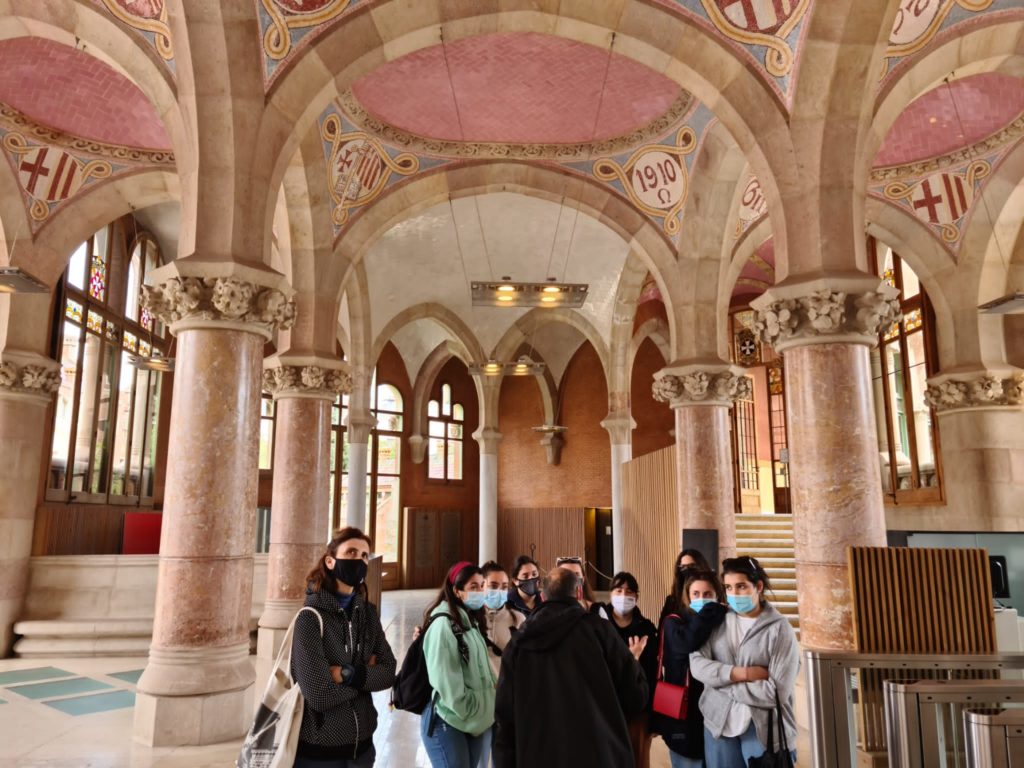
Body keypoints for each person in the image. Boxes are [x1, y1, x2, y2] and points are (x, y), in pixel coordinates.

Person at [494, 566, 649, 768]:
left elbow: (505, 716)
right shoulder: (600, 630)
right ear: (578, 592)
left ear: (543, 596)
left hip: (537, 755)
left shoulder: (519, 642)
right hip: (598, 754)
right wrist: (633, 662)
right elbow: (636, 697)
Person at [291, 528, 397, 768]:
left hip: (363, 749)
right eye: (351, 552)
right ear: (330, 561)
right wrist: (364, 679)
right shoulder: (310, 618)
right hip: (320, 754)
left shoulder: (368, 614)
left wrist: (346, 674)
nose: (359, 560)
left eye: (364, 555)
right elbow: (319, 696)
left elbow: (389, 672)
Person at [690, 557, 800, 767]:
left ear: (758, 586)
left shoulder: (779, 628)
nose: (734, 594)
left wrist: (719, 683)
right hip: (719, 724)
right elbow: (696, 665)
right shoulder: (716, 620)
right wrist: (744, 674)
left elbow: (776, 692)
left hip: (764, 728)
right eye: (728, 587)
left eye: (741, 586)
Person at [421, 561, 497, 768]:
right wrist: (475, 710)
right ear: (457, 591)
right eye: (473, 587)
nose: (480, 592)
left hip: (472, 720)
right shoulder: (443, 626)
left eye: (482, 586)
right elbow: (447, 683)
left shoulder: (469, 621)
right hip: (449, 719)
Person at [650, 569, 728, 768]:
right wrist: (711, 611)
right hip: (683, 711)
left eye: (708, 594)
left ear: (717, 595)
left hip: (717, 707)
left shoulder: (723, 619)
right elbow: (687, 642)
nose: (702, 598)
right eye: (696, 593)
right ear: (687, 595)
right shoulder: (674, 621)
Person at [603, 572, 660, 768]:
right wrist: (631, 659)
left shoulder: (646, 628)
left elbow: (653, 674)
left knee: (638, 761)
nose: (623, 595)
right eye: (619, 590)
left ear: (636, 596)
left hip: (638, 709)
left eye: (629, 592)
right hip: (606, 708)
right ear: (611, 594)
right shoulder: (599, 625)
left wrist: (654, 716)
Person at [480, 561, 527, 678]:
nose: (499, 591)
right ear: (481, 585)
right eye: (493, 586)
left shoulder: (518, 619)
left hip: (507, 686)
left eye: (504, 587)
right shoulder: (470, 619)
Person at [662, 548, 715, 622]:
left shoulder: (715, 595)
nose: (687, 570)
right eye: (683, 567)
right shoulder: (672, 601)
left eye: (692, 566)